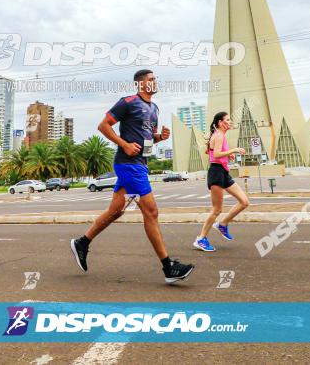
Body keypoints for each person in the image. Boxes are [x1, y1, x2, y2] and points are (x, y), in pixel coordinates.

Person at [70, 69, 195, 284]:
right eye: (150, 79)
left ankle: (82, 242)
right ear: (139, 84)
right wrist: (124, 144)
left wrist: (159, 137)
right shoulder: (127, 102)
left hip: (140, 164)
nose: (155, 81)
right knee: (151, 211)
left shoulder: (154, 109)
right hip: (128, 165)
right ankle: (168, 267)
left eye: (156, 78)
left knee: (116, 211)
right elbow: (103, 126)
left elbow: (147, 140)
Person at [194, 111, 250, 252]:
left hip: (223, 172)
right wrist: (234, 150)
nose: (230, 122)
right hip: (216, 173)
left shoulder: (219, 135)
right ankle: (200, 239)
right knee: (217, 210)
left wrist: (228, 154)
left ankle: (222, 224)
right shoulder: (218, 135)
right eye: (228, 120)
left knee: (244, 202)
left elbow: (212, 153)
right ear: (220, 123)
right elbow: (217, 154)